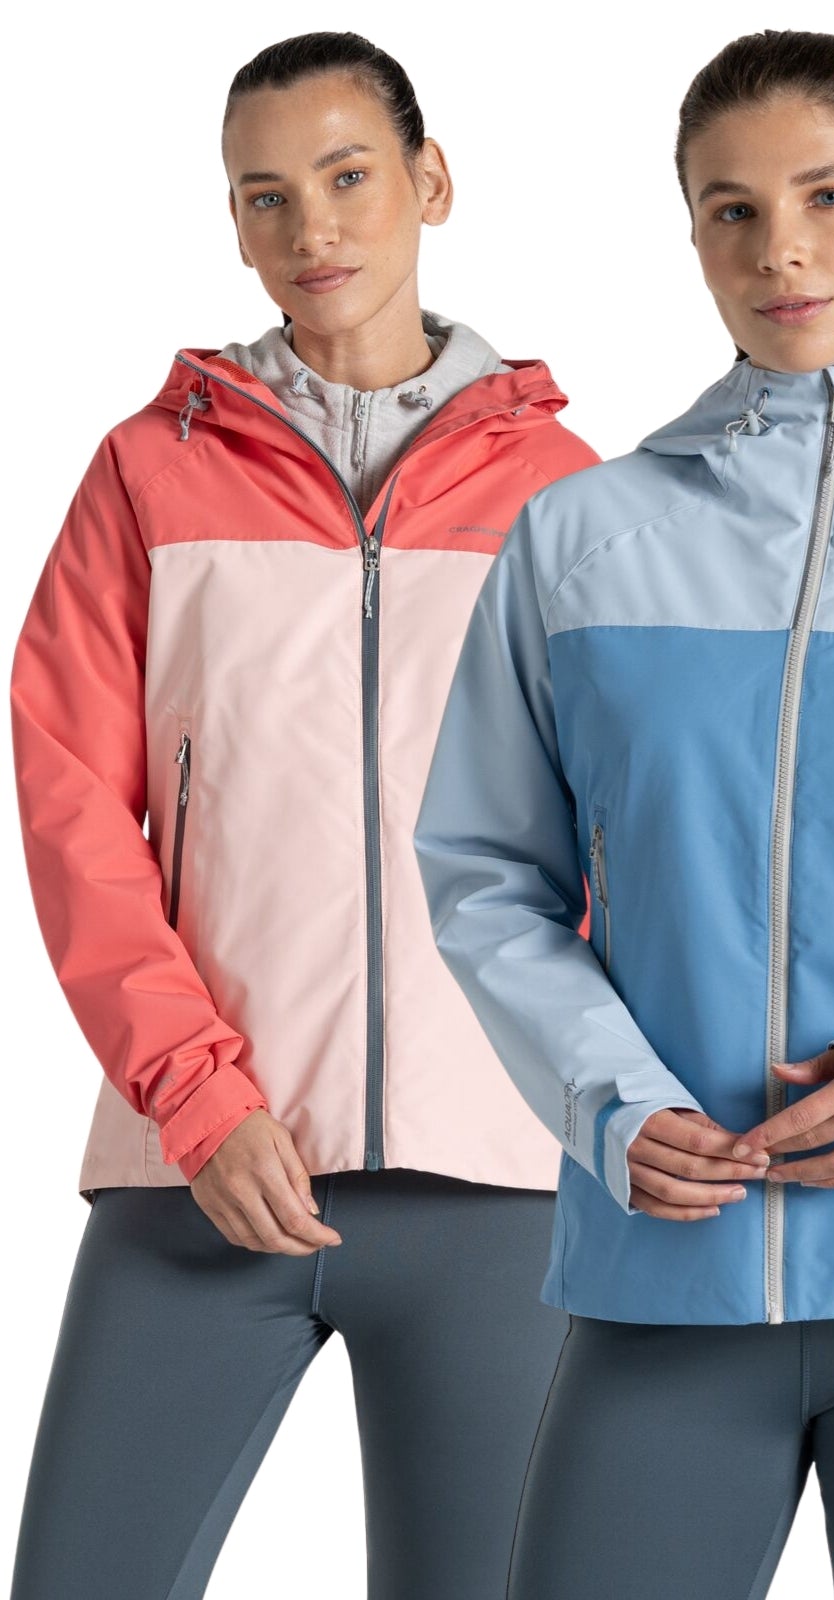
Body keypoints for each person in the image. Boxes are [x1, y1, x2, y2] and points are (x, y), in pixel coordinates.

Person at [415, 29, 834, 1600]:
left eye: (829, 197)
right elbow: (485, 869)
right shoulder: (583, 538)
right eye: (731, 211)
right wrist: (609, 1102)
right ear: (691, 236)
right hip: (662, 1276)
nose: (781, 251)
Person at [8, 32, 597, 1599]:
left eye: (347, 177)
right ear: (235, 223)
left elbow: (622, 846)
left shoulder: (568, 497)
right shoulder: (146, 476)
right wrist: (200, 1100)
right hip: (205, 1173)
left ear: (430, 182)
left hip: (497, 1189)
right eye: (266, 196)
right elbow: (74, 809)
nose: (312, 227)